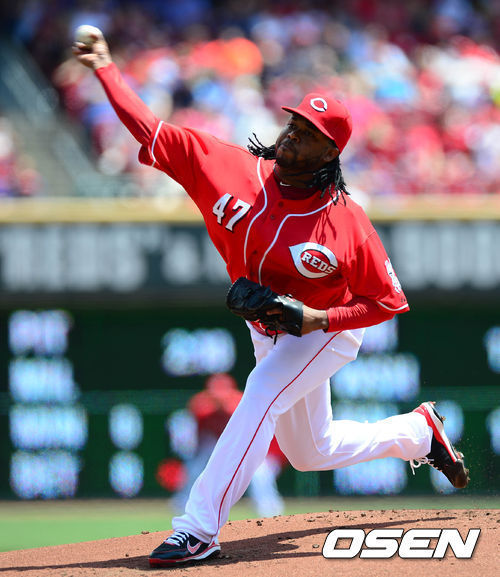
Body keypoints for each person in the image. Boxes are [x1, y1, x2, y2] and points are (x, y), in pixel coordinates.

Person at [73, 32, 470, 567]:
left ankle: (198, 529)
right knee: (310, 451)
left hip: (326, 332)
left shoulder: (345, 223)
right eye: (294, 124)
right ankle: (418, 432)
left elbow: (386, 301)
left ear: (330, 152)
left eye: (308, 134)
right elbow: (150, 129)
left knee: (259, 393)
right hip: (269, 331)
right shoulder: (228, 167)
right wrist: (105, 68)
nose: (292, 136)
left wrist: (319, 317)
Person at [171, 373, 286, 518]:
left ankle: (268, 507)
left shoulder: (242, 404)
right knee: (196, 467)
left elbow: (255, 434)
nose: (219, 397)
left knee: (259, 473)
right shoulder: (202, 406)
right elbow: (200, 434)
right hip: (218, 443)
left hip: (248, 444)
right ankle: (184, 503)